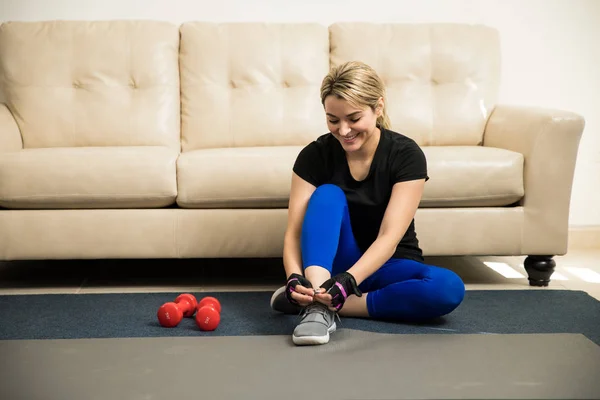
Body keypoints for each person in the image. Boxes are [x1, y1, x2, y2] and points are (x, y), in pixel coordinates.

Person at [270, 61, 465, 346]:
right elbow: (294, 234)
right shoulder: (314, 155)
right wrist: (294, 278)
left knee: (448, 288)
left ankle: (323, 304)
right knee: (327, 194)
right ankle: (316, 299)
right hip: (330, 268)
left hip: (386, 265)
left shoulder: (406, 155)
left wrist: (346, 285)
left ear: (379, 107)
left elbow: (389, 237)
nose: (344, 130)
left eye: (354, 118)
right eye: (333, 120)